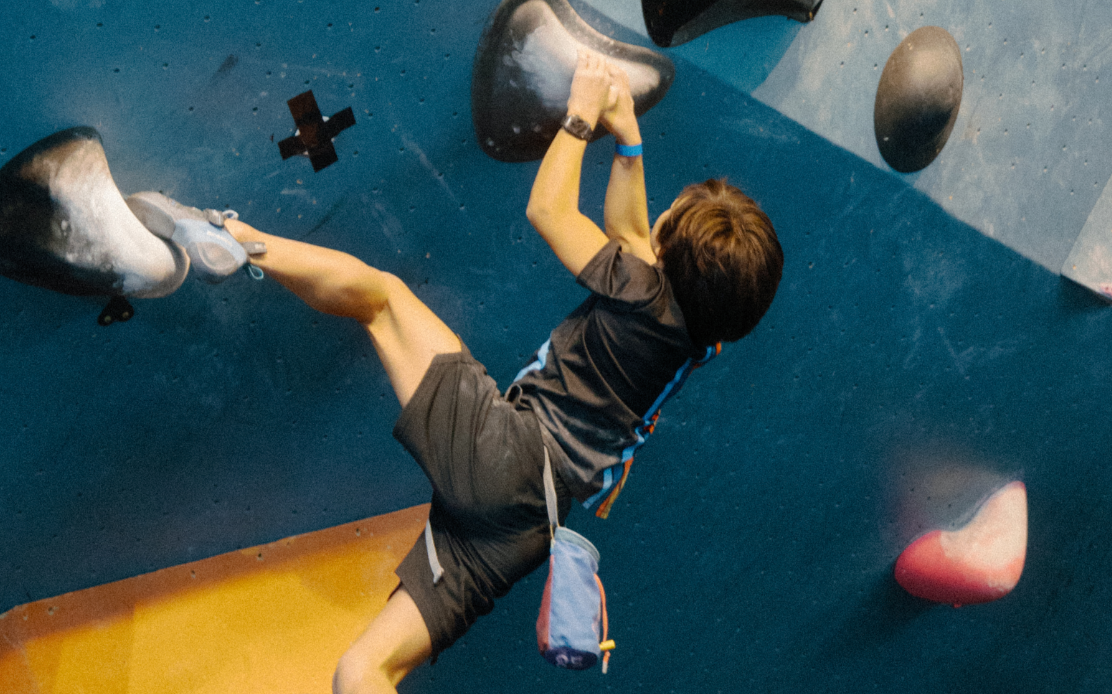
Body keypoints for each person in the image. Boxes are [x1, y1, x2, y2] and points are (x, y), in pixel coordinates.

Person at [221, 51, 783, 694]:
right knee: (364, 671)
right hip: (524, 528)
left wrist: (579, 118)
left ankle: (230, 239)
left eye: (669, 219)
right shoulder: (700, 340)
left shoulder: (637, 289)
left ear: (665, 249)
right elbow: (629, 235)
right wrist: (627, 135)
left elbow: (550, 211)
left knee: (381, 302)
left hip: (509, 457)